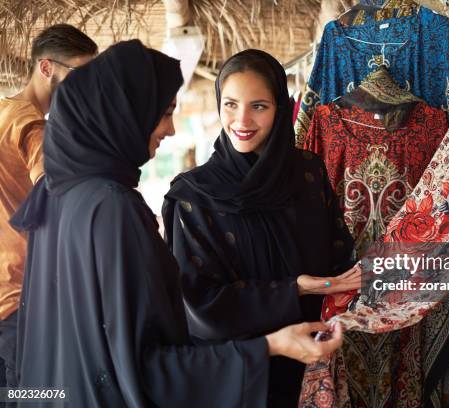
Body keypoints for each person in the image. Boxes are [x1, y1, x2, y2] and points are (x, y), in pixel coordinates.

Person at [10, 40, 342, 408]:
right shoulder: (116, 208)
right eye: (164, 112)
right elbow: (147, 368)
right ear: (123, 113)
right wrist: (273, 344)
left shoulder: (58, 196)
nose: (170, 129)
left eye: (259, 106)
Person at [163, 49, 362, 407]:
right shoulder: (194, 197)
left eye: (259, 106)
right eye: (230, 104)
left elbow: (340, 264)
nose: (241, 120)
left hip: (312, 370)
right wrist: (293, 289)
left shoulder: (308, 174)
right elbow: (199, 305)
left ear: (281, 109)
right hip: (236, 379)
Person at [0, 24, 97, 392]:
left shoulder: (3, 112)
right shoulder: (32, 126)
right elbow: (57, 194)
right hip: (21, 300)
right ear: (46, 68)